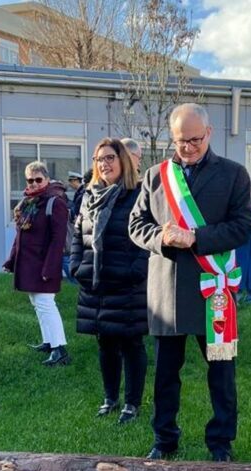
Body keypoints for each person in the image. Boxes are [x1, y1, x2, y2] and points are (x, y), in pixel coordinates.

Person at [129, 102, 251, 462]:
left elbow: (242, 227)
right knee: (166, 374)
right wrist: (162, 239)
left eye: (196, 139)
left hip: (213, 291)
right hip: (167, 290)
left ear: (209, 134)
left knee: (221, 371)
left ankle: (221, 442)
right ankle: (164, 438)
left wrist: (195, 237)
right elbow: (136, 226)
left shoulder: (233, 175)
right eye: (182, 140)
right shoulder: (155, 176)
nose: (189, 147)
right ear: (173, 137)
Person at [70, 138, 147, 423]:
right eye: (100, 159)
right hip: (96, 281)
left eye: (110, 157)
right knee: (105, 343)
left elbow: (146, 237)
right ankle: (110, 398)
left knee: (131, 344)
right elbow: (79, 234)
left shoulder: (137, 194)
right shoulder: (91, 195)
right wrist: (78, 266)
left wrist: (135, 271)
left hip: (126, 283)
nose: (105, 164)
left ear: (123, 160)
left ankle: (132, 403)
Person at [3, 161, 71, 366]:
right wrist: (11, 260)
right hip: (30, 263)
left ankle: (60, 350)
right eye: (30, 180)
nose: (33, 183)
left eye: (38, 179)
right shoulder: (28, 203)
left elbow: (58, 239)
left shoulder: (55, 202)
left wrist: (50, 268)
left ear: (47, 179)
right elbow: (20, 236)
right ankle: (49, 342)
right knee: (38, 304)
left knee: (46, 304)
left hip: (44, 264)